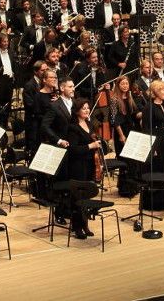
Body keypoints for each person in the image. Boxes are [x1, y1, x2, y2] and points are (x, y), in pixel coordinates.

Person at [64, 100, 100, 239]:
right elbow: (72, 150)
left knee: (86, 196)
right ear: (77, 111)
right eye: (84, 108)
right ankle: (77, 227)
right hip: (77, 166)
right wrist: (90, 146)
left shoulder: (89, 124)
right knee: (77, 197)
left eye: (88, 108)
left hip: (89, 164)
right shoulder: (73, 128)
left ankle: (85, 224)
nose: (87, 110)